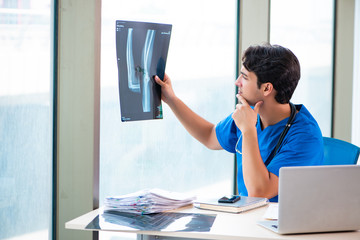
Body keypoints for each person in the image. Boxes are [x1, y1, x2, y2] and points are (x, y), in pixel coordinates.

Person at [154, 43, 324, 202]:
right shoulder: (250, 115)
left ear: (266, 88)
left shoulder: (305, 136)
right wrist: (171, 100)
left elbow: (259, 192)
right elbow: (209, 136)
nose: (237, 82)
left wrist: (249, 130)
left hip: (281, 228)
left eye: (244, 77)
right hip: (248, 217)